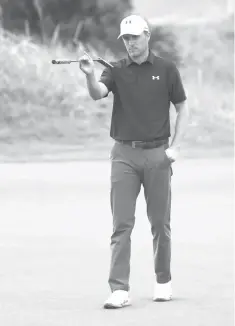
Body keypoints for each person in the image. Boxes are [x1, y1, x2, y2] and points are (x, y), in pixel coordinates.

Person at [79, 14, 189, 309]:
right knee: (121, 224)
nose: (129, 43)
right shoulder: (115, 69)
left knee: (159, 224)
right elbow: (97, 94)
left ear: (146, 35)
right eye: (125, 39)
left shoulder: (166, 69)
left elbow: (182, 107)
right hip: (124, 155)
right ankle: (119, 289)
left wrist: (175, 147)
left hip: (157, 155)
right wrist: (90, 75)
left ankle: (163, 280)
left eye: (134, 37)